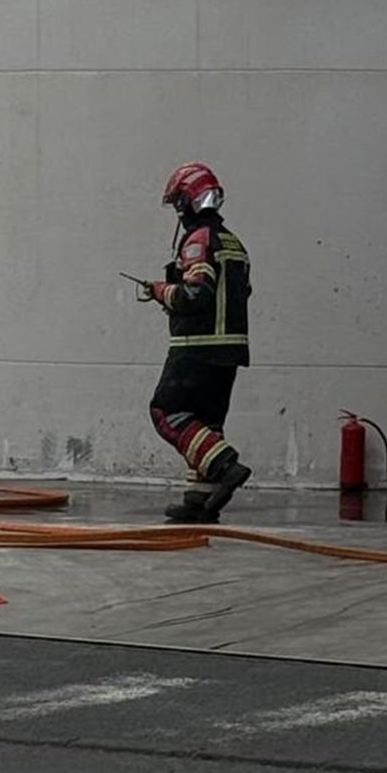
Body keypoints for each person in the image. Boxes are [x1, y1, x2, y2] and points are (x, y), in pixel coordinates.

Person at [141, 163, 252, 522]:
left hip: (197, 347)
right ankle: (200, 499)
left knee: (167, 412)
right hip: (230, 350)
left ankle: (224, 466)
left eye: (178, 203)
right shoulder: (234, 242)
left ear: (188, 201)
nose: (178, 212)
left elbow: (195, 294)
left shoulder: (198, 240)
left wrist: (162, 291)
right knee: (206, 421)